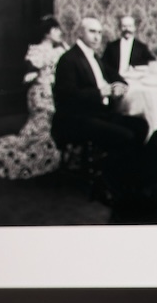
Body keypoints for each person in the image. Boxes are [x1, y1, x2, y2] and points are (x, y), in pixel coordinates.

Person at [51, 16, 148, 199]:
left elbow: (117, 77)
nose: (97, 37)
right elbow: (67, 96)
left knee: (141, 126)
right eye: (92, 32)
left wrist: (119, 85)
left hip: (98, 113)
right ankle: (110, 182)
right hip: (76, 118)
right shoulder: (69, 59)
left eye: (100, 33)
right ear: (80, 33)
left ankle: (124, 177)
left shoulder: (95, 57)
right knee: (124, 136)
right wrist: (101, 92)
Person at [0, 16, 67, 181]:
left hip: (57, 93)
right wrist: (36, 75)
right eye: (56, 29)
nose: (60, 32)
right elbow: (29, 75)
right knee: (40, 131)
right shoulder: (37, 51)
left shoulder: (60, 49)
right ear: (47, 33)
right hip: (42, 94)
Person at [102, 14, 151, 83]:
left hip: (135, 81)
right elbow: (103, 65)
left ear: (134, 28)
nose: (127, 29)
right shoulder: (111, 46)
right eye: (124, 26)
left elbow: (150, 64)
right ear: (120, 28)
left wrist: (135, 69)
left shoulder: (141, 47)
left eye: (130, 26)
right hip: (115, 80)